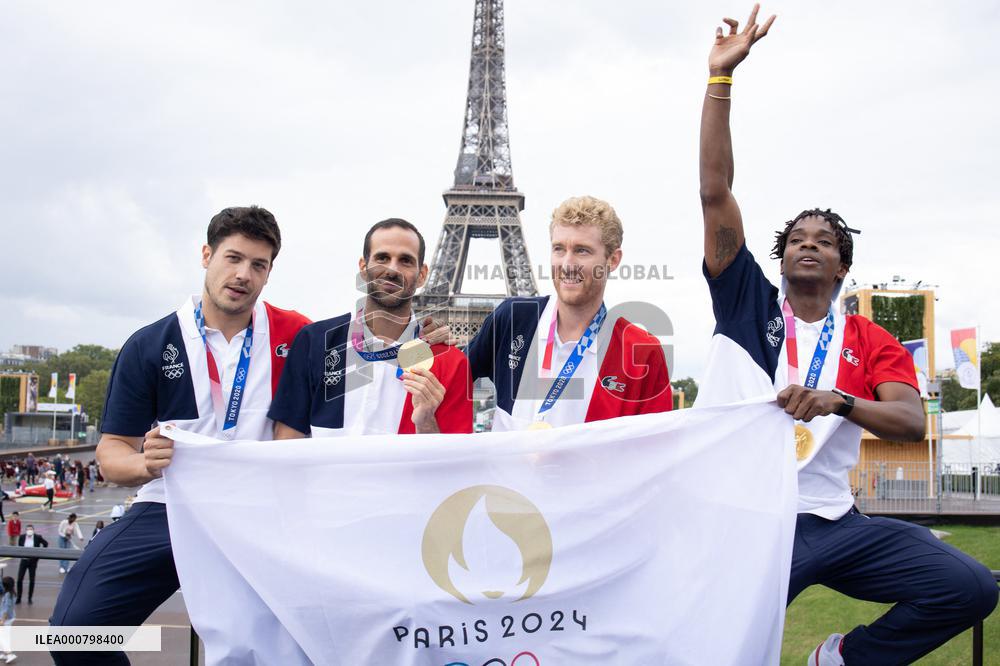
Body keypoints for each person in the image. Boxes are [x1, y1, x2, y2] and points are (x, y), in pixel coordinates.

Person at [696, 7, 999, 663]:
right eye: (797, 239)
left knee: (968, 586)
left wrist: (839, 400)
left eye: (823, 241)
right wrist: (720, 81)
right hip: (749, 522)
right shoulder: (747, 302)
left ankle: (840, 659)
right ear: (780, 259)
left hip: (834, 522)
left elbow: (909, 420)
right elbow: (715, 191)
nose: (809, 246)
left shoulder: (867, 337)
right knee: (712, 647)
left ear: (842, 264)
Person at [49, 206, 311, 665]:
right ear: (206, 255)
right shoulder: (150, 343)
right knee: (73, 632)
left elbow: (367, 350)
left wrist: (426, 337)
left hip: (263, 510)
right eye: (232, 258)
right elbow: (112, 454)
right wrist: (145, 463)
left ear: (270, 273)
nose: (242, 274)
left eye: (258, 264)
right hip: (171, 508)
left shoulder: (298, 335)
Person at [466, 196, 673, 431]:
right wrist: (419, 343)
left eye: (582, 251)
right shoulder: (513, 318)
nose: (567, 264)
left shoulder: (642, 351)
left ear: (613, 260)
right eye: (558, 249)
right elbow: (448, 370)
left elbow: (655, 451)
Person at [269, 218, 473, 439]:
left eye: (405, 260)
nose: (392, 270)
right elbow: (286, 444)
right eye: (382, 258)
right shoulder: (315, 341)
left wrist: (425, 422)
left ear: (422, 275)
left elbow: (452, 469)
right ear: (363, 267)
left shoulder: (451, 363)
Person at [16, 525, 47, 605]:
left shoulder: (38, 537)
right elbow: (19, 547)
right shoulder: (22, 537)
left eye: (31, 529)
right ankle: (19, 597)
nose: (29, 531)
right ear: (25, 530)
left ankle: (30, 598)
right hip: (24, 560)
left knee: (32, 580)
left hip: (33, 561)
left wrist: (38, 555)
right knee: (19, 579)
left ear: (33, 530)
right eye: (28, 529)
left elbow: (45, 544)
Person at [0, 576, 14, 663]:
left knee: (2, 637)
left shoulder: (7, 595)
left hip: (6, 619)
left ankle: (9, 654)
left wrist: (2, 620)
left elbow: (6, 609)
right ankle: (6, 654)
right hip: (10, 618)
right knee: (5, 636)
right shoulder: (11, 594)